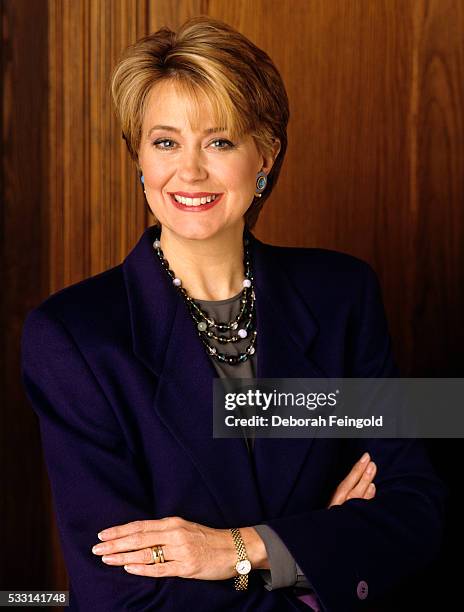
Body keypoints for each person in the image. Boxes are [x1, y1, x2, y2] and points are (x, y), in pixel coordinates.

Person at [21, 15, 445, 612]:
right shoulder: (71, 338)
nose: (189, 171)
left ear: (265, 155)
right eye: (165, 141)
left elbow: (421, 508)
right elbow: (114, 597)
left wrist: (235, 550)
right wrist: (310, 557)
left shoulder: (344, 292)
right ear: (138, 157)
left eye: (219, 141)